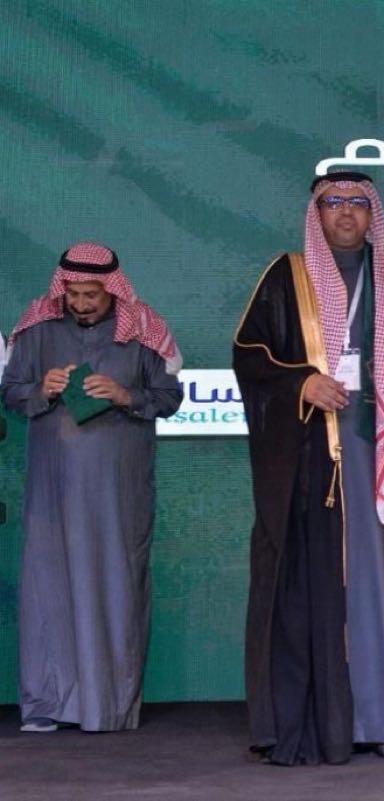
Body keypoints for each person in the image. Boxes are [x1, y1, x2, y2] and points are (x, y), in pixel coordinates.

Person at [233, 171, 384, 765]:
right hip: (321, 463)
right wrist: (302, 382)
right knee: (336, 585)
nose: (346, 213)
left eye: (358, 203)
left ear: (372, 213)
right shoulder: (288, 276)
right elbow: (250, 354)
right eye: (334, 203)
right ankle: (337, 720)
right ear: (317, 213)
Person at [1, 242, 183, 733]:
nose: (80, 304)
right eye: (73, 294)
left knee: (115, 584)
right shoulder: (37, 327)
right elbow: (11, 392)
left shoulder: (145, 328)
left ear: (113, 292)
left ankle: (108, 708)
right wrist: (42, 389)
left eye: (91, 295)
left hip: (117, 491)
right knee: (48, 588)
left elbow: (169, 397)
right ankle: (45, 704)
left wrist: (125, 394)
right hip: (52, 492)